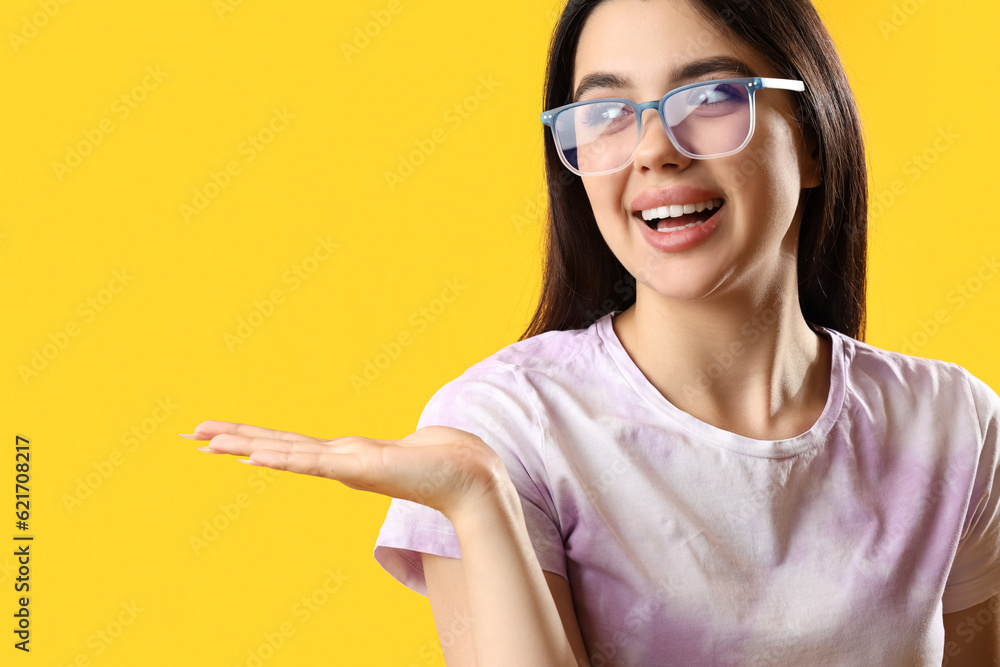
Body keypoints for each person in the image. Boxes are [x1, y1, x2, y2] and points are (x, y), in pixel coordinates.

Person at [181, 0, 1000, 664]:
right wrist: (480, 500)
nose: (653, 150)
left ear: (813, 136)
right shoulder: (503, 428)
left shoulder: (954, 426)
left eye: (711, 97)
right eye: (605, 113)